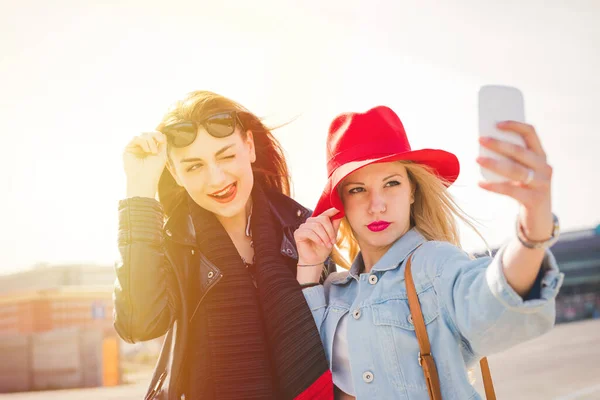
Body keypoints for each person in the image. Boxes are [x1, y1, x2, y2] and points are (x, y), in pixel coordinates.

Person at [294, 105, 564, 399]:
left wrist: (534, 227)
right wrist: (309, 268)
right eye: (358, 190)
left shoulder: (434, 265)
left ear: (412, 191)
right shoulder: (335, 290)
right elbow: (303, 365)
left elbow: (491, 297)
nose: (377, 204)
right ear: (341, 205)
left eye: (391, 183)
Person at [113, 90, 337, 400]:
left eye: (227, 156)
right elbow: (139, 324)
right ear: (175, 174)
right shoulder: (173, 245)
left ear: (249, 147)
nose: (216, 179)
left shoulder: (300, 231)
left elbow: (332, 344)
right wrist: (139, 189)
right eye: (194, 167)